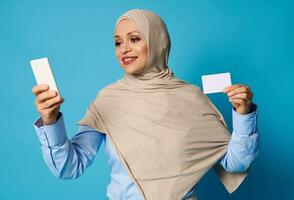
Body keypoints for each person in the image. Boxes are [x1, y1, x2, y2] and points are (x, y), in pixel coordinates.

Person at [32, 9, 259, 200]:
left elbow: (235, 163)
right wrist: (50, 122)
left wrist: (243, 114)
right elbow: (69, 167)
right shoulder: (108, 100)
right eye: (117, 42)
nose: (124, 49)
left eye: (135, 39)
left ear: (157, 41)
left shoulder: (191, 98)